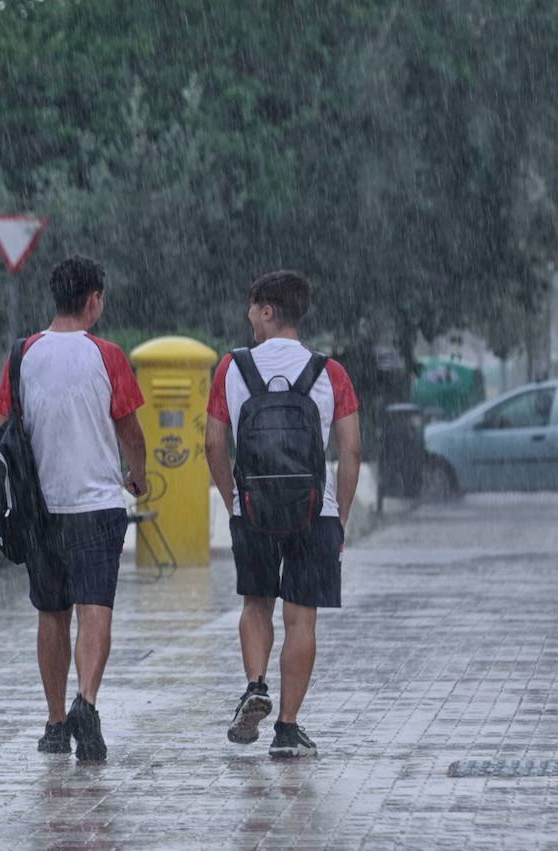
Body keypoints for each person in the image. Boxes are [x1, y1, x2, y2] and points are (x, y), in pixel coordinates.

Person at [0, 255, 148, 762]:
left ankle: (56, 723)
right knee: (94, 610)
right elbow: (130, 430)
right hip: (97, 505)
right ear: (94, 300)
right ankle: (87, 701)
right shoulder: (108, 355)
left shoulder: (22, 355)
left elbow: (2, 429)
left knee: (51, 614)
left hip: (41, 510)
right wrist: (138, 476)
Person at [204, 270, 362, 758]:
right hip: (315, 509)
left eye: (252, 308)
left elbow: (213, 442)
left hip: (252, 504)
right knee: (302, 619)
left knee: (256, 603)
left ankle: (255, 684)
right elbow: (351, 449)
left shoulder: (232, 368)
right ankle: (288, 728)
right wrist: (341, 517)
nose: (248, 317)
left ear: (268, 310)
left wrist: (234, 499)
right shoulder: (329, 371)